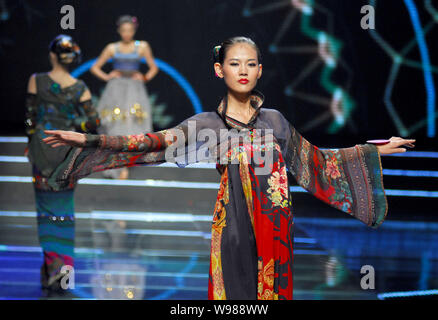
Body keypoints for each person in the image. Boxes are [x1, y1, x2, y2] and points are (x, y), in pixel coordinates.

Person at [42, 36, 415, 300]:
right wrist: (89, 141)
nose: (243, 70)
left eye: (250, 64)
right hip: (233, 224)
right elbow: (151, 143)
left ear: (259, 71)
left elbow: (315, 161)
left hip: (276, 227)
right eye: (234, 63)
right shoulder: (207, 126)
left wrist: (372, 151)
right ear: (219, 70)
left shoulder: (276, 122)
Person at [25, 34, 100, 295]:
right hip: (67, 152)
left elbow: (30, 119)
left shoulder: (37, 80)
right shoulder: (80, 87)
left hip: (42, 150)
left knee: (46, 212)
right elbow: (93, 124)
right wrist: (71, 127)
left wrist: (31, 140)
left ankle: (50, 271)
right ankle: (64, 274)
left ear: (52, 55)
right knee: (64, 213)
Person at [90, 14, 159, 179]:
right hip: (115, 91)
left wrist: (144, 77)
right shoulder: (112, 48)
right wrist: (108, 77)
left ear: (134, 30)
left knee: (132, 126)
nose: (127, 33)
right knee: (115, 126)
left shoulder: (142, 46)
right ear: (119, 31)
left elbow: (153, 67)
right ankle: (116, 165)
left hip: (135, 91)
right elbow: (95, 67)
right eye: (124, 30)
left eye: (129, 30)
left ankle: (124, 165)